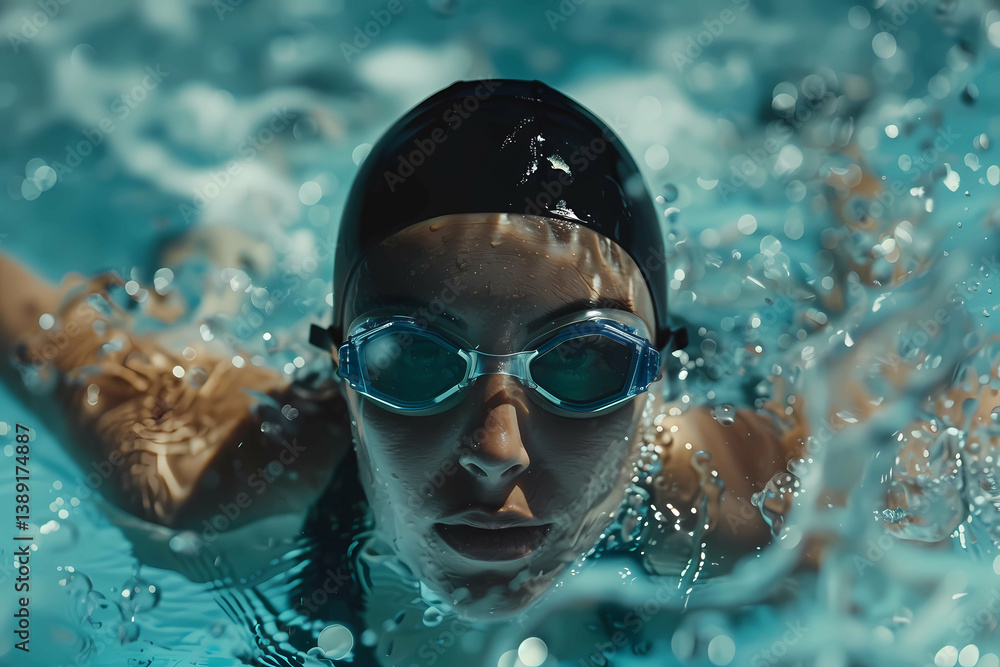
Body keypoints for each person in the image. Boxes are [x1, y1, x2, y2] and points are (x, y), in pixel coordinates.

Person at [0, 79, 799, 664]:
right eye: (412, 358)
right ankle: (249, 197)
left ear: (656, 370)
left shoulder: (753, 514)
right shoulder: (196, 474)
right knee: (196, 300)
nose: (498, 447)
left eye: (584, 362)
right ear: (342, 366)